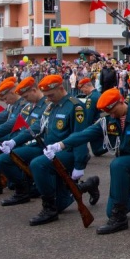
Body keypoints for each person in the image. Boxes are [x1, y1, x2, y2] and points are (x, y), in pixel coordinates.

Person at [45, 87, 130, 234]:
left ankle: (120, 221)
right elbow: (85, 134)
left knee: (118, 164)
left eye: (113, 111)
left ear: (121, 101)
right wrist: (61, 145)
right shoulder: (107, 120)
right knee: (111, 211)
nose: (112, 115)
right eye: (108, 112)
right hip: (124, 167)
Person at [26, 75, 93, 226]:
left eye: (50, 95)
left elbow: (80, 136)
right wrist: (15, 140)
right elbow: (40, 127)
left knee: (38, 164)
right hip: (51, 151)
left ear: (61, 88)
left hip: (68, 153)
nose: (48, 99)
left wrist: (79, 164)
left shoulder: (75, 106)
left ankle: (49, 209)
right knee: (62, 203)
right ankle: (87, 185)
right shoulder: (51, 105)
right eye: (46, 96)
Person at [0, 76, 50, 207]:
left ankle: (23, 191)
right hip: (27, 141)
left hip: (41, 145)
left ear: (34, 90)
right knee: (0, 153)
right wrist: (10, 140)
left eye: (26, 96)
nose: (25, 100)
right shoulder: (29, 106)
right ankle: (23, 185)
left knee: (3, 159)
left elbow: (35, 128)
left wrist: (14, 141)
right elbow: (18, 125)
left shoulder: (46, 105)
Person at [78, 77, 106, 157]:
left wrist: (84, 128)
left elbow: (88, 116)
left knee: (97, 151)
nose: (83, 91)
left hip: (95, 125)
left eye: (82, 89)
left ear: (85, 86)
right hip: (101, 123)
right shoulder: (98, 94)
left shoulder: (91, 98)